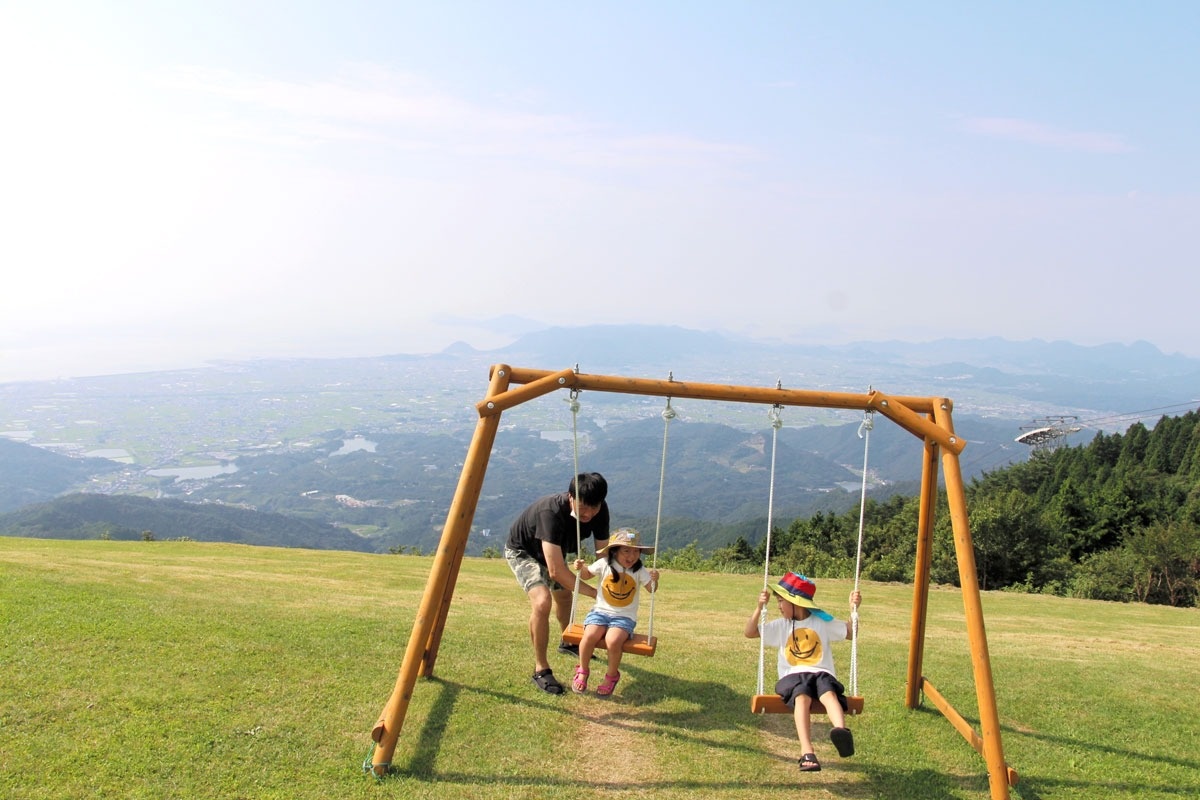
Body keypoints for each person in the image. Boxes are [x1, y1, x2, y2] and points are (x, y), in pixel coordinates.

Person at [744, 572, 862, 772]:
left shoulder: (821, 622)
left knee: (829, 693)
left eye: (781, 601)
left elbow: (851, 633)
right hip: (793, 676)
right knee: (802, 697)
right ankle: (807, 751)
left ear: (795, 602)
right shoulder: (781, 625)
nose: (779, 606)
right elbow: (750, 632)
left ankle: (841, 731)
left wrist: (854, 609)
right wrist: (758, 608)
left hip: (821, 672)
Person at [505, 472, 611, 695]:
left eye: (595, 507)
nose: (589, 514)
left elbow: (603, 556)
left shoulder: (600, 511)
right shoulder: (550, 512)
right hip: (525, 552)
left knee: (564, 597)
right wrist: (595, 593)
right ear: (570, 497)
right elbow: (555, 571)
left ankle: (568, 641)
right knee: (542, 602)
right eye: (583, 507)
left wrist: (611, 585)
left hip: (555, 551)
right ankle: (541, 668)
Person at [570, 527, 660, 697]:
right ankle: (582, 670)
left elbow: (651, 589)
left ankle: (611, 676)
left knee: (613, 640)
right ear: (614, 551)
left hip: (624, 617)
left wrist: (655, 580)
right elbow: (586, 575)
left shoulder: (639, 570)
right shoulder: (604, 564)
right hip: (600, 611)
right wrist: (579, 567)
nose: (631, 556)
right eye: (626, 551)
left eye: (636, 552)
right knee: (589, 635)